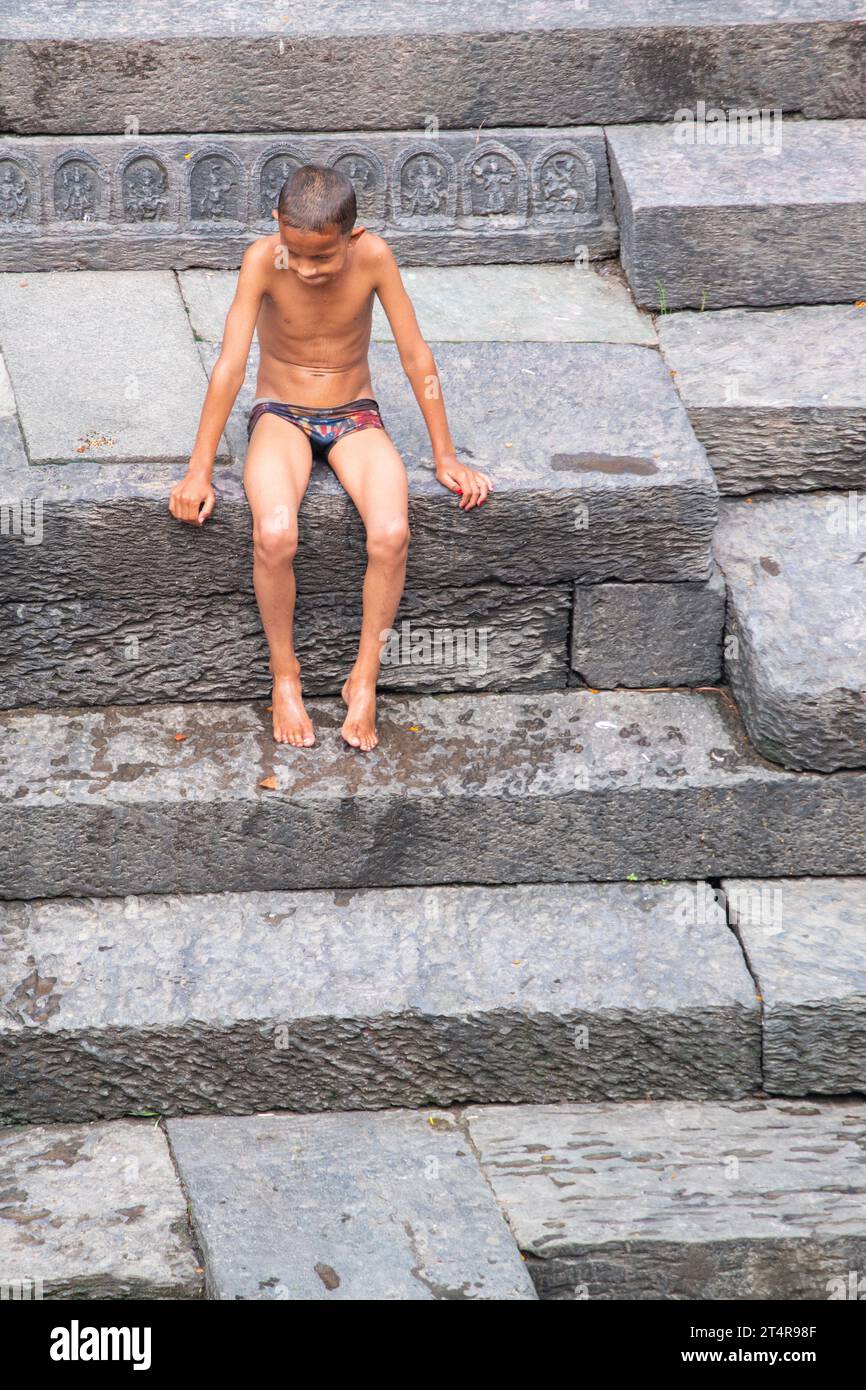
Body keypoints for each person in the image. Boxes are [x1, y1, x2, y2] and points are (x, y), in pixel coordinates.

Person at [169, 164, 492, 751]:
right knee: (274, 533)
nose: (311, 271)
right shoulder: (262, 260)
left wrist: (445, 455)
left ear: (355, 235)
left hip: (355, 414)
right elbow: (230, 366)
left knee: (392, 532)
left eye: (326, 257)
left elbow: (417, 355)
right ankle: (285, 677)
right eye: (299, 255)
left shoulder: (375, 258)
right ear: (278, 228)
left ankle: (364, 678)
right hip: (281, 413)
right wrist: (199, 468)